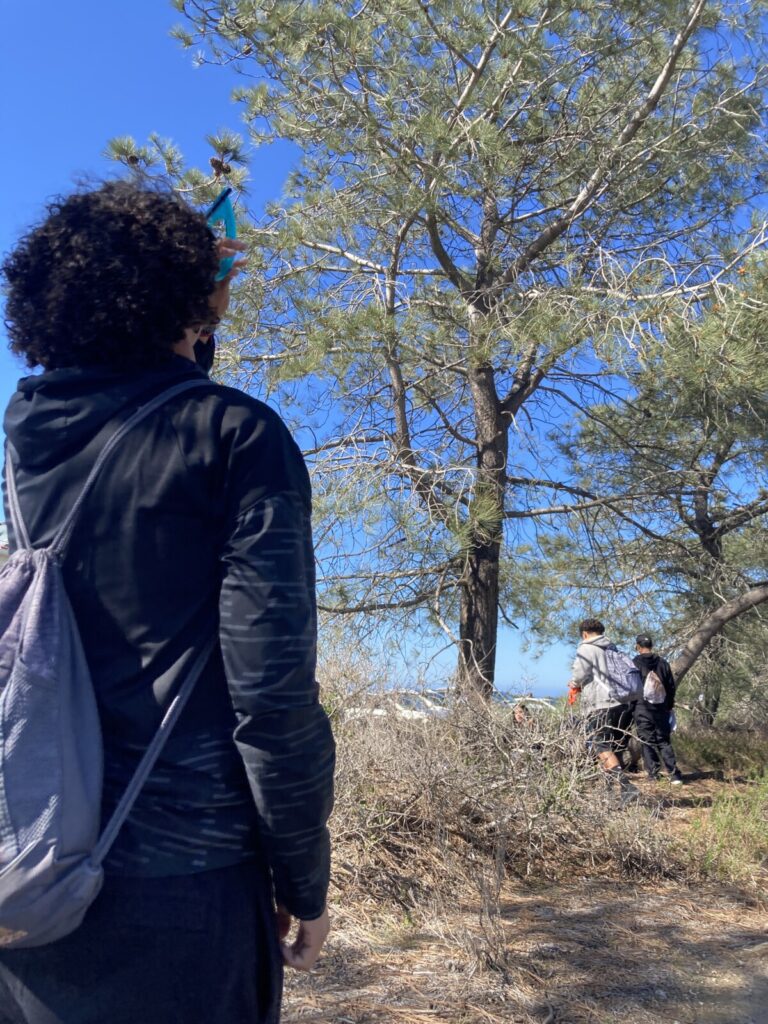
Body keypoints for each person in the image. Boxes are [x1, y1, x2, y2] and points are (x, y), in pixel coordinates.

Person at [0, 181, 335, 1023]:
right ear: (195, 298)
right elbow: (272, 693)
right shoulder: (233, 436)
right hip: (184, 886)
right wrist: (304, 877)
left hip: (24, 866)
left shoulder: (17, 449)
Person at [568, 618, 638, 806]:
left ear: (584, 634)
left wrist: (574, 684)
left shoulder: (586, 648)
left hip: (600, 703)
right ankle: (607, 794)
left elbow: (579, 674)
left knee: (601, 747)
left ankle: (626, 786)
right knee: (611, 747)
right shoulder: (611, 647)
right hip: (620, 703)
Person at [632, 634, 683, 785]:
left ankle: (653, 775)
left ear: (638, 647)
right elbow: (670, 687)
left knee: (647, 741)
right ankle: (674, 775)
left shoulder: (634, 663)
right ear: (652, 646)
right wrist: (668, 706)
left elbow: (631, 686)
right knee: (663, 741)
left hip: (642, 708)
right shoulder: (663, 663)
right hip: (660, 708)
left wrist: (631, 708)